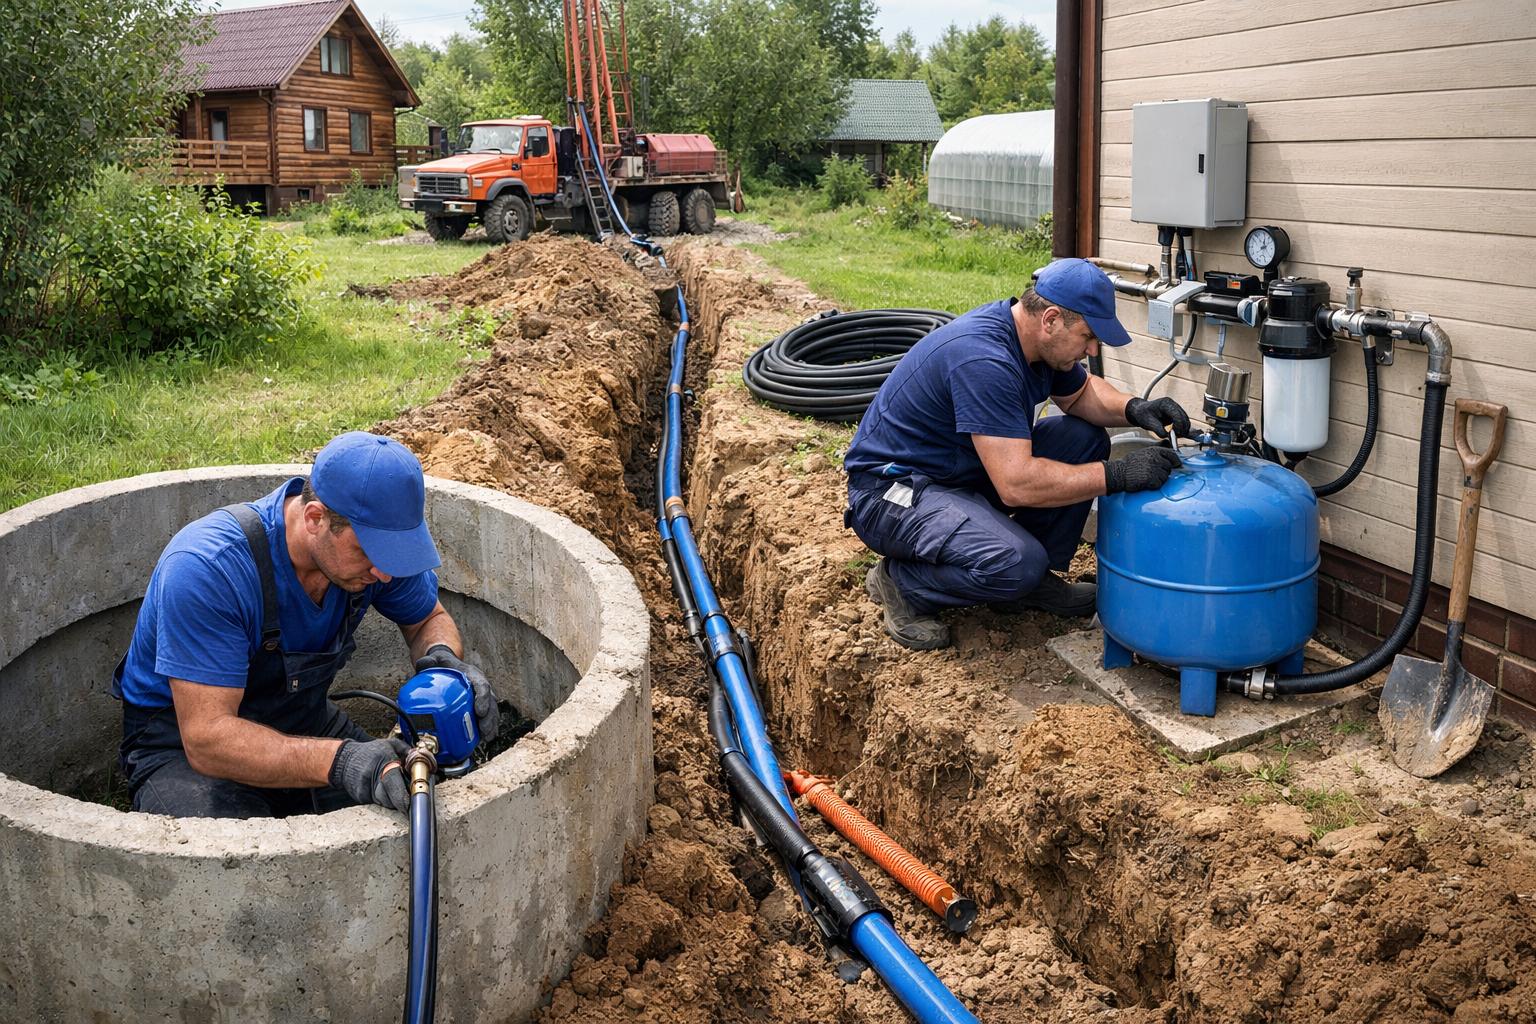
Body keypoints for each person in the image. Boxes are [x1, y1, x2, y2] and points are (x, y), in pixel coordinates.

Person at [113, 431, 500, 819]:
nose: (385, 573)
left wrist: (442, 661)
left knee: (415, 806)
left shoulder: (377, 550)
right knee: (248, 850)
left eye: (394, 554)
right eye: (371, 553)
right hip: (183, 752)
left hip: (302, 722)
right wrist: (342, 761)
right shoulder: (209, 569)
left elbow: (428, 620)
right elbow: (207, 739)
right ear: (315, 518)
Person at [843, 258, 1191, 650]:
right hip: (892, 493)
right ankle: (903, 583)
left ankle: (1031, 585)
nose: (1092, 349)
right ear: (1051, 319)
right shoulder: (985, 360)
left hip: (957, 473)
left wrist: (1134, 408)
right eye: (1088, 336)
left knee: (1082, 438)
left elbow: (1081, 395)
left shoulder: (1035, 343)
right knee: (1015, 563)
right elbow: (1016, 484)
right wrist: (1118, 475)